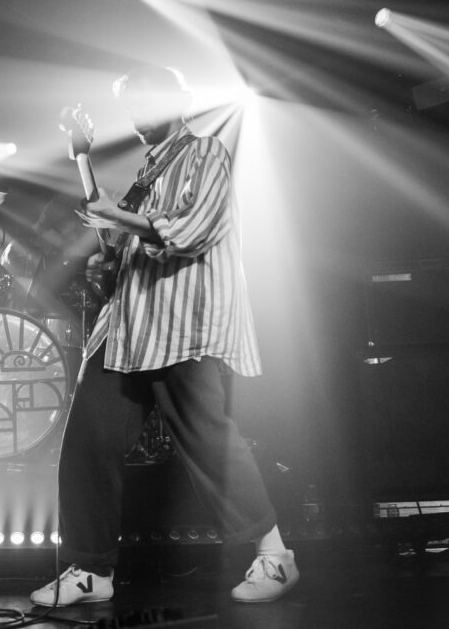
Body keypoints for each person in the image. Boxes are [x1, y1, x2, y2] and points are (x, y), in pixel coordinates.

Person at [28, 65, 298, 607]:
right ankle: (91, 570)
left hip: (182, 325)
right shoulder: (147, 173)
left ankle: (275, 556)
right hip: (128, 330)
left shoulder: (205, 152)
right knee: (88, 443)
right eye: (129, 106)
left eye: (145, 102)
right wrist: (81, 155)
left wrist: (118, 220)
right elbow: (111, 231)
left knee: (206, 440)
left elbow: (193, 231)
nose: (136, 115)